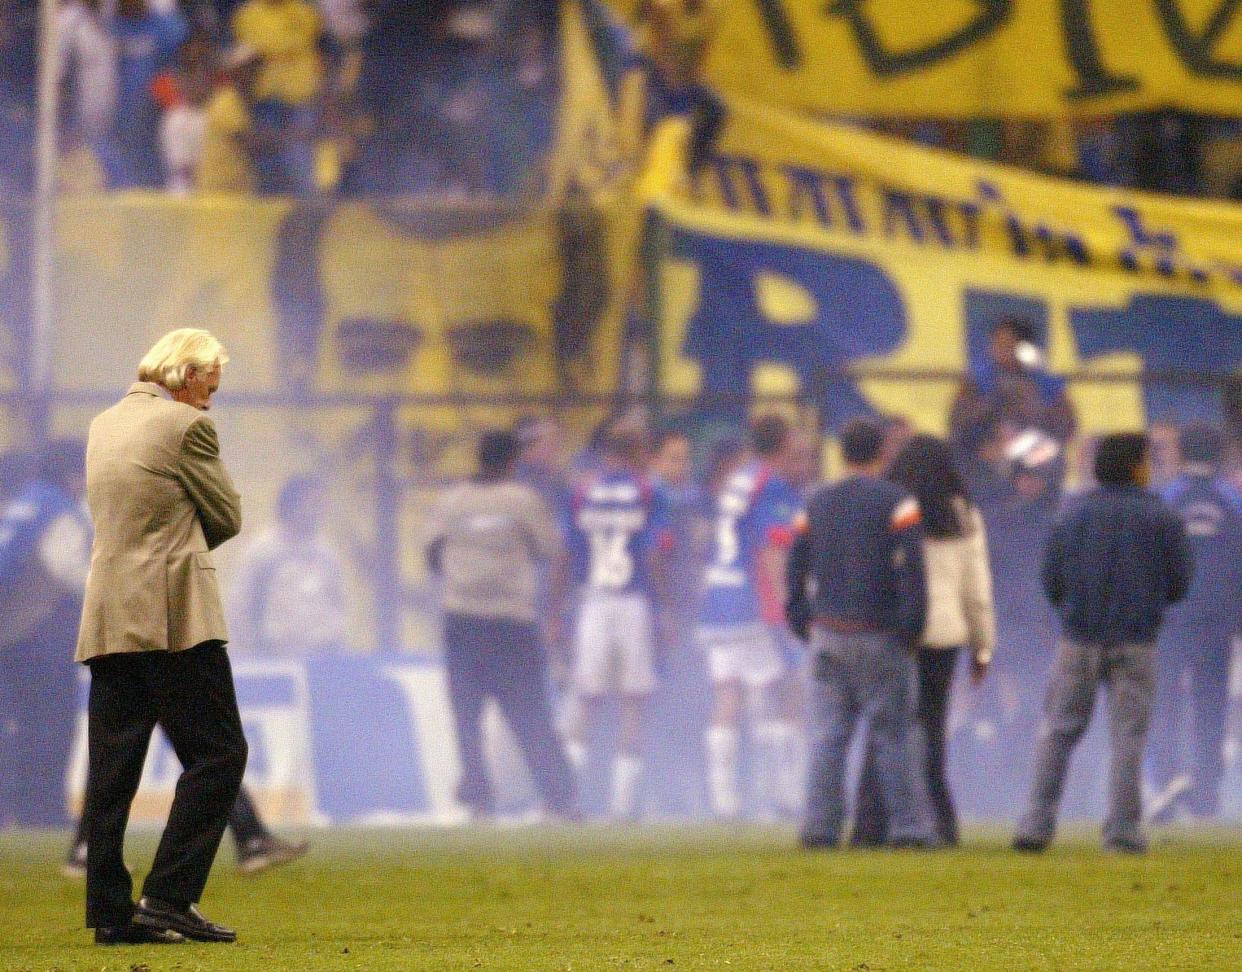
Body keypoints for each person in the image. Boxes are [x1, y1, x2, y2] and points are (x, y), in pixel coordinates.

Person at [77, 328, 246, 945]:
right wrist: (183, 536)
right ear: (184, 372)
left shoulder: (103, 424)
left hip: (109, 612)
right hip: (174, 615)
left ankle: (109, 911)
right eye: (208, 387)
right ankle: (170, 898)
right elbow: (226, 515)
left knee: (112, 769)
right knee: (219, 755)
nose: (209, 402)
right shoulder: (185, 429)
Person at [1013, 432, 1191, 854]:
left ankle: (1035, 826)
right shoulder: (1162, 518)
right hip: (1136, 641)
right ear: (1135, 467)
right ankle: (1122, 831)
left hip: (1078, 639)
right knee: (1128, 738)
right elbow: (1180, 583)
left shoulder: (1072, 514)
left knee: (1058, 732)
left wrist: (1073, 611)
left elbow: (1050, 578)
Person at [786, 417, 935, 849]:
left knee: (828, 736)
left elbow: (797, 565)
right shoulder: (898, 502)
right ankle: (907, 829)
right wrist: (911, 628)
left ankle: (819, 828)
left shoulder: (815, 501)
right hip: (880, 633)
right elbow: (913, 570)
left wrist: (802, 620)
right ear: (882, 453)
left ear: (841, 451)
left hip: (828, 633)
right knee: (894, 737)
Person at [851, 435, 997, 847]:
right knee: (931, 731)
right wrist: (983, 647)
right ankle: (940, 824)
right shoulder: (964, 515)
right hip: (944, 637)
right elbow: (977, 589)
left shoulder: (891, 509)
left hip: (894, 633)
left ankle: (870, 825)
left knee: (884, 730)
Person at [425, 429, 577, 820]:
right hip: (511, 621)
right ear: (513, 462)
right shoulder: (523, 500)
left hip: (462, 620)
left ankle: (478, 802)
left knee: (466, 717)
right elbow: (549, 549)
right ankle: (559, 800)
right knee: (531, 715)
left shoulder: (451, 501)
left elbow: (432, 554)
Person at [696, 414, 802, 819]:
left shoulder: (739, 478)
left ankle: (723, 802)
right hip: (750, 603)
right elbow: (772, 549)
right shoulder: (771, 485)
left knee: (728, 695)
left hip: (717, 601)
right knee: (785, 690)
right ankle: (783, 796)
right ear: (780, 443)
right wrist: (788, 605)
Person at [564, 426, 672, 819]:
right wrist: (665, 607)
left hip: (593, 601)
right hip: (633, 603)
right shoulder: (649, 492)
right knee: (633, 704)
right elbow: (653, 553)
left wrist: (557, 608)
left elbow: (566, 550)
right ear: (639, 451)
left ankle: (568, 801)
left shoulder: (582, 491)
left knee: (586, 701)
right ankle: (623, 807)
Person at [1147, 422, 1242, 822]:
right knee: (1211, 708)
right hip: (1218, 626)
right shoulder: (1232, 500)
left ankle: (1165, 785)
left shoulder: (1167, 497)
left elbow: (1150, 557)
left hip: (1171, 621)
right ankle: (1205, 794)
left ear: (1182, 452)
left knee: (1164, 703)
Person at [0, 440, 91, 828]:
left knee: (15, 727)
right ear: (72, 474)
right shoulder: (59, 511)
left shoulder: (24, 504)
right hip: (40, 636)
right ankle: (42, 810)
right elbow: (70, 573)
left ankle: (13, 808)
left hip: (9, 636)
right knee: (51, 727)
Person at [230, 474, 348, 656]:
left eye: (321, 505)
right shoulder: (263, 551)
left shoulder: (326, 554)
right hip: (277, 657)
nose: (319, 511)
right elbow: (241, 607)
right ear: (293, 506)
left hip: (323, 656)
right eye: (313, 504)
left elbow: (339, 604)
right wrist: (250, 655)